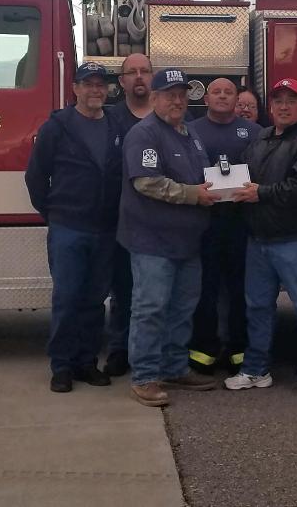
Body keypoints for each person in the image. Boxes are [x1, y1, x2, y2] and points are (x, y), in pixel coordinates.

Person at [226, 78, 297, 404]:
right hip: (259, 239)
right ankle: (257, 368)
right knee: (257, 307)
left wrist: (260, 193)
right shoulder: (260, 138)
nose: (284, 106)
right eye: (278, 101)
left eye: (291, 101)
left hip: (295, 241)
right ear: (270, 107)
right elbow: (245, 176)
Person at [118, 68, 220, 407]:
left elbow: (201, 176)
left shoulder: (189, 133)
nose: (177, 100)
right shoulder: (144, 134)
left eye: (181, 94)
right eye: (169, 94)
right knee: (150, 309)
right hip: (153, 241)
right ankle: (145, 376)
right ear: (155, 97)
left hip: (187, 242)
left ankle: (175, 367)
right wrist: (195, 195)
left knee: (181, 308)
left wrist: (222, 188)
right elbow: (147, 183)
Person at [25, 62, 123, 393]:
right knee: (67, 298)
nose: (96, 90)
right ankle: (61, 366)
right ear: (75, 89)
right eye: (89, 84)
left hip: (105, 228)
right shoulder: (57, 126)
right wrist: (53, 212)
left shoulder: (115, 125)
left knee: (95, 301)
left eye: (101, 85)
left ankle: (86, 363)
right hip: (69, 227)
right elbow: (36, 176)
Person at [187, 78, 262, 374]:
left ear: (237, 99)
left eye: (228, 92)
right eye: (216, 92)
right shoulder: (191, 131)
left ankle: (239, 352)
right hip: (204, 223)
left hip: (240, 223)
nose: (222, 96)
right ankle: (203, 351)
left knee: (240, 289)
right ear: (205, 99)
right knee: (204, 288)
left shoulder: (255, 132)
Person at [103, 53, 153, 377]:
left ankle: (154, 351)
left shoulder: (168, 118)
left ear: (153, 77)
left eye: (144, 71)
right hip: (119, 222)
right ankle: (120, 350)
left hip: (159, 224)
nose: (138, 77)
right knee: (122, 289)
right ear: (121, 82)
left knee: (156, 295)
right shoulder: (108, 118)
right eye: (131, 72)